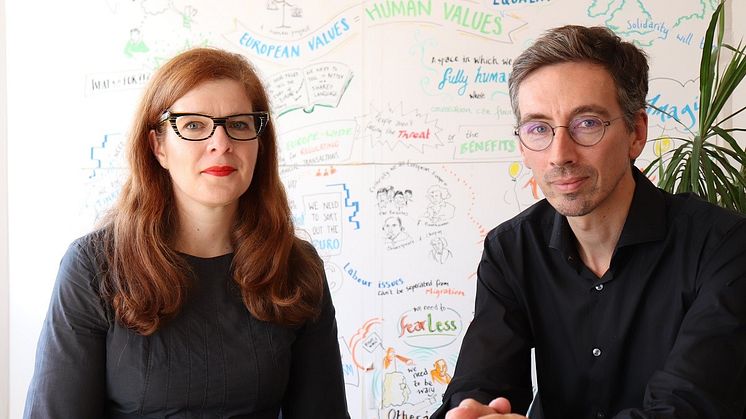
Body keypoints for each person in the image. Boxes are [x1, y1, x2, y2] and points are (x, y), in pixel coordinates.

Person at [432, 25, 746, 419]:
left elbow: (687, 407)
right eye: (538, 128)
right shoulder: (511, 249)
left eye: (587, 123)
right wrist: (476, 412)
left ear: (636, 133)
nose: (559, 154)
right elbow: (481, 384)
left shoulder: (722, 245)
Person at [24, 47, 350, 419]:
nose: (221, 143)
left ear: (260, 143)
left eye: (240, 124)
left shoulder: (296, 265)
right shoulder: (93, 267)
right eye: (193, 125)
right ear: (157, 146)